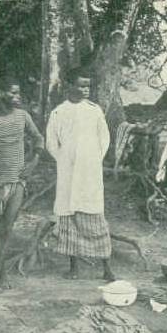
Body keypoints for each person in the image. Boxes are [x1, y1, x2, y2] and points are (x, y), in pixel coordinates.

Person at [0, 77, 45, 293]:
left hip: (17, 182)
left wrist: (33, 161)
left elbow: (39, 139)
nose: (17, 97)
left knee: (6, 228)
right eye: (12, 93)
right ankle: (2, 274)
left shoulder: (23, 116)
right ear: (0, 93)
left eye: (18, 93)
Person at [46, 69, 115, 281]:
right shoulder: (59, 112)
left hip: (90, 173)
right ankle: (74, 267)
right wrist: (64, 160)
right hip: (67, 173)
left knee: (95, 216)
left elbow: (104, 139)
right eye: (81, 85)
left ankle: (107, 268)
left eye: (88, 86)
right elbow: (51, 142)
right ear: (69, 86)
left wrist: (93, 159)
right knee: (69, 218)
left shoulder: (95, 110)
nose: (85, 90)